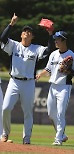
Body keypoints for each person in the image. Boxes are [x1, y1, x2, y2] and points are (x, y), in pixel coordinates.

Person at [0, 13, 54, 144]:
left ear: (32, 36)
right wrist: (11, 24)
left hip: (28, 83)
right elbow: (2, 39)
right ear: (21, 35)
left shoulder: (36, 49)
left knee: (28, 112)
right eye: (24, 31)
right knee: (6, 108)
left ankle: (27, 137)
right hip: (14, 81)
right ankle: (5, 133)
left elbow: (49, 51)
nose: (27, 33)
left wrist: (51, 34)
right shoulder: (14, 45)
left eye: (29, 32)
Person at [36, 30, 74, 146]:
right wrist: (40, 74)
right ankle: (62, 134)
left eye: (58, 39)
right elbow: (49, 69)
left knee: (60, 113)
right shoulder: (53, 54)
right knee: (51, 114)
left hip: (64, 87)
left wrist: (67, 69)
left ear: (64, 40)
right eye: (55, 39)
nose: (55, 41)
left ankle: (58, 138)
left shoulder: (72, 55)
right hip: (53, 86)